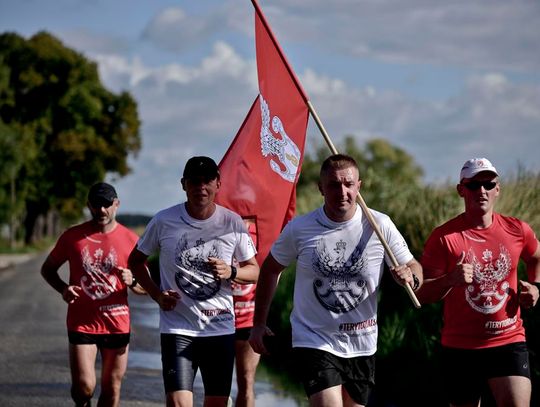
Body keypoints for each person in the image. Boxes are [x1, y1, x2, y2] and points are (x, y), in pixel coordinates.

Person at [249, 154, 422, 407]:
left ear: (358, 186)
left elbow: (413, 266)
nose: (342, 191)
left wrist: (411, 278)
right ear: (321, 188)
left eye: (348, 184)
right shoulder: (301, 228)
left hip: (362, 342)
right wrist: (258, 323)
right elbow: (270, 269)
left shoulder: (378, 225)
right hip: (314, 338)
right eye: (333, 185)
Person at [127, 156, 259, 407]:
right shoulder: (164, 221)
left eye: (208, 181)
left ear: (218, 183)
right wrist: (156, 295)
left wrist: (231, 272)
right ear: (183, 184)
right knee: (177, 403)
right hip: (178, 327)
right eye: (194, 181)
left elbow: (255, 271)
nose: (201, 187)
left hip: (219, 329)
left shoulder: (232, 222)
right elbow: (135, 261)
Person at [416, 157, 540, 407]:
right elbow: (421, 294)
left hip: (508, 340)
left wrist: (536, 288)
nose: (481, 191)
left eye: (487, 184)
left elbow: (536, 257)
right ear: (461, 190)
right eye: (473, 185)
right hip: (460, 347)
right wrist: (451, 279)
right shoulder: (444, 238)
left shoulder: (518, 230)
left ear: (497, 189)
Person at [41, 182, 145, 407]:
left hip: (117, 323)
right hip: (82, 322)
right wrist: (63, 288)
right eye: (96, 205)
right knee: (84, 386)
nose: (102, 210)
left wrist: (133, 280)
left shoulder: (131, 240)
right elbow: (47, 269)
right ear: (89, 205)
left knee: (112, 388)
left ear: (116, 204)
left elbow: (147, 286)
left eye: (107, 204)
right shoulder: (73, 237)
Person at [231, 220, 261, 407]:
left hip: (250, 318)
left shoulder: (263, 229)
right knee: (217, 386)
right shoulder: (219, 222)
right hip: (218, 319)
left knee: (246, 382)